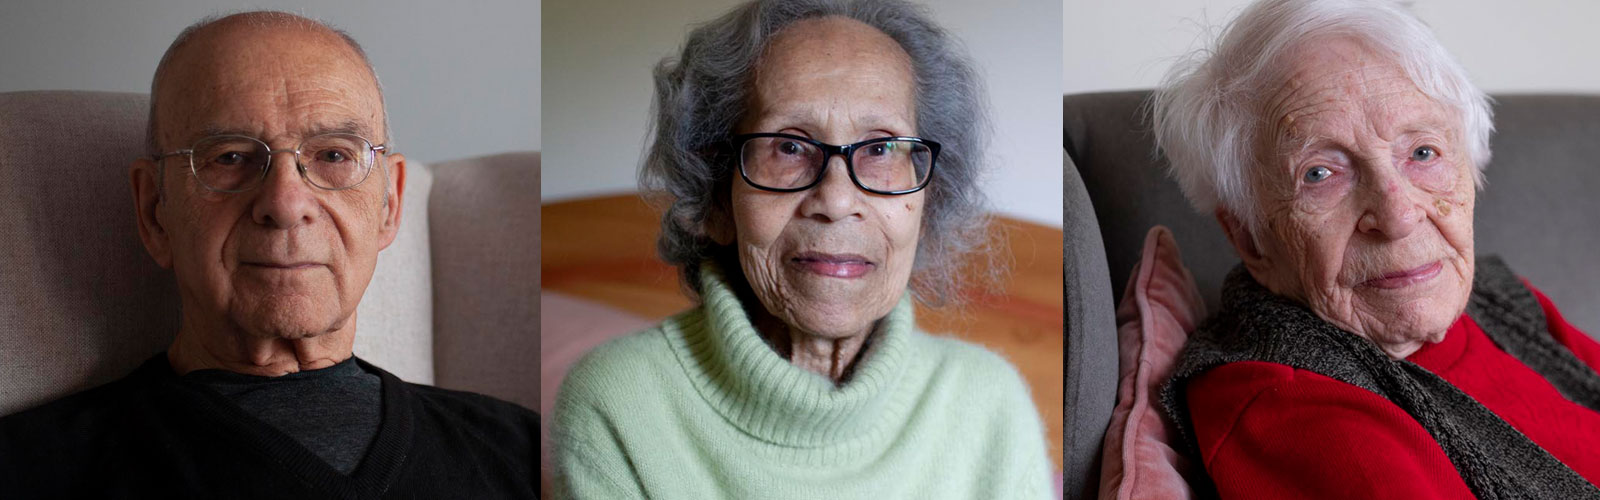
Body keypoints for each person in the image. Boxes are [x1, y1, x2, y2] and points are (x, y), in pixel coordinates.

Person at [0, 12, 538, 498]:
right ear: (154, 210)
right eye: (230, 157)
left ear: (389, 204)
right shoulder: (28, 468)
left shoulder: (526, 453)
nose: (284, 203)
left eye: (332, 155)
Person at [550, 0, 1052, 498]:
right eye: (788, 146)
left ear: (927, 200)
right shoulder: (618, 405)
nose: (835, 200)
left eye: (880, 149)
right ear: (717, 199)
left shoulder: (990, 406)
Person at [1150, 0, 1600, 498]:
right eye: (1319, 173)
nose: (1398, 216)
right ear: (1249, 239)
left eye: (1422, 152)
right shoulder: (1293, 406)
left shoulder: (1499, 297)